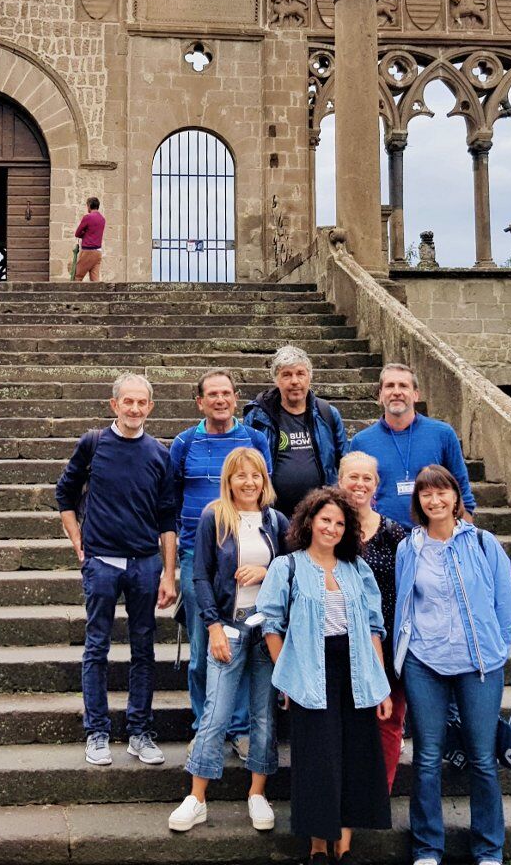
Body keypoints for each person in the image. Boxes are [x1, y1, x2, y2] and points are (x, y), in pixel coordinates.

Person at [257, 487, 392, 864]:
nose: (331, 528)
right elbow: (271, 624)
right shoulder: (288, 566)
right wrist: (286, 677)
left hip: (357, 672)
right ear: (309, 522)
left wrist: (380, 687)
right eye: (325, 520)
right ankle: (318, 846)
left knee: (353, 757)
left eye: (339, 522)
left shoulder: (357, 569)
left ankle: (343, 846)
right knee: (318, 760)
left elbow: (372, 628)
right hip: (310, 674)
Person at [55, 373, 178, 767]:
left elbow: (167, 518)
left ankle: (140, 731)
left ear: (150, 407)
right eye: (128, 402)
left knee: (144, 648)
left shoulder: (160, 453)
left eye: (142, 403)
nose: (135, 409)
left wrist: (169, 572)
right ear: (114, 405)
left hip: (145, 563)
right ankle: (97, 732)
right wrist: (77, 541)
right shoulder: (93, 444)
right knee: (97, 647)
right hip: (102, 562)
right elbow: (65, 494)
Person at [395, 466, 511, 865]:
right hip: (424, 660)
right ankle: (427, 848)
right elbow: (404, 602)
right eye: (426, 495)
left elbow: (504, 602)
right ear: (418, 502)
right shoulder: (408, 547)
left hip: (478, 663)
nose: (435, 501)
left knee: (482, 757)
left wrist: (497, 646)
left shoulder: (483, 542)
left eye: (441, 492)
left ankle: (489, 849)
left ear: (454, 496)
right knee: (427, 757)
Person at [168, 447, 289, 834]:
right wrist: (213, 626)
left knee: (263, 716)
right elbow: (201, 576)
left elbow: (291, 572)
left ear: (264, 480)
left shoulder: (277, 520)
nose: (249, 482)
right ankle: (197, 798)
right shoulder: (214, 518)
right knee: (216, 713)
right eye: (241, 476)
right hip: (230, 627)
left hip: (267, 629)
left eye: (255, 475)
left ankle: (257, 793)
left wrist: (266, 569)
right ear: (229, 481)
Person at [170, 369, 272, 750]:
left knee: (246, 643)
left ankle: (240, 729)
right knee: (203, 648)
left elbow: (262, 492)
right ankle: (204, 723)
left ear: (235, 397)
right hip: (199, 552)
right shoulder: (184, 443)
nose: (220, 400)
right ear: (200, 401)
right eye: (211, 394)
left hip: (247, 551)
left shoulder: (254, 439)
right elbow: (171, 499)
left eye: (226, 393)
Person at [338, 451, 407, 791]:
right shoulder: (327, 530)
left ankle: (379, 793)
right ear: (340, 481)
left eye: (367, 478)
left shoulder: (396, 534)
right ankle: (349, 795)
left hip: (387, 641)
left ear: (376, 485)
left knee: (388, 721)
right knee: (347, 723)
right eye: (353, 477)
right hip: (338, 641)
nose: (359, 484)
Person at [348, 363, 476, 529]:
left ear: (416, 394)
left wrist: (464, 538)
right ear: (380, 395)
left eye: (403, 386)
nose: (396, 392)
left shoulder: (442, 434)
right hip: (383, 541)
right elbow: (350, 495)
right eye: (389, 386)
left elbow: (462, 490)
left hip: (433, 537)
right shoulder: (362, 441)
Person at [243, 345, 348, 518]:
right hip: (272, 515)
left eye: (300, 373)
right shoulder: (258, 417)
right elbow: (246, 462)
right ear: (276, 380)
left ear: (309, 378)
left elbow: (344, 461)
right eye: (286, 374)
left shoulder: (327, 414)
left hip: (319, 515)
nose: (294, 381)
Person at [73, 196, 106, 282]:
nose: (87, 207)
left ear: (89, 205)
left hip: (88, 251)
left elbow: (77, 233)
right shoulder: (102, 219)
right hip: (98, 252)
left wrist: (84, 234)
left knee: (77, 277)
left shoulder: (87, 217)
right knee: (95, 280)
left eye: (87, 205)